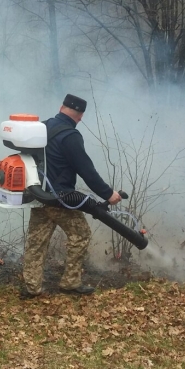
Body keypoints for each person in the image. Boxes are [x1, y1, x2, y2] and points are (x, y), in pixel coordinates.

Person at [21, 94, 122, 299]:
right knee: (81, 235)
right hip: (60, 199)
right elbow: (86, 170)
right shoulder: (71, 136)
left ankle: (32, 287)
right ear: (80, 116)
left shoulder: (43, 127)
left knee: (36, 243)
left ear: (61, 107)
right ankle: (70, 282)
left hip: (38, 195)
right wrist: (108, 194)